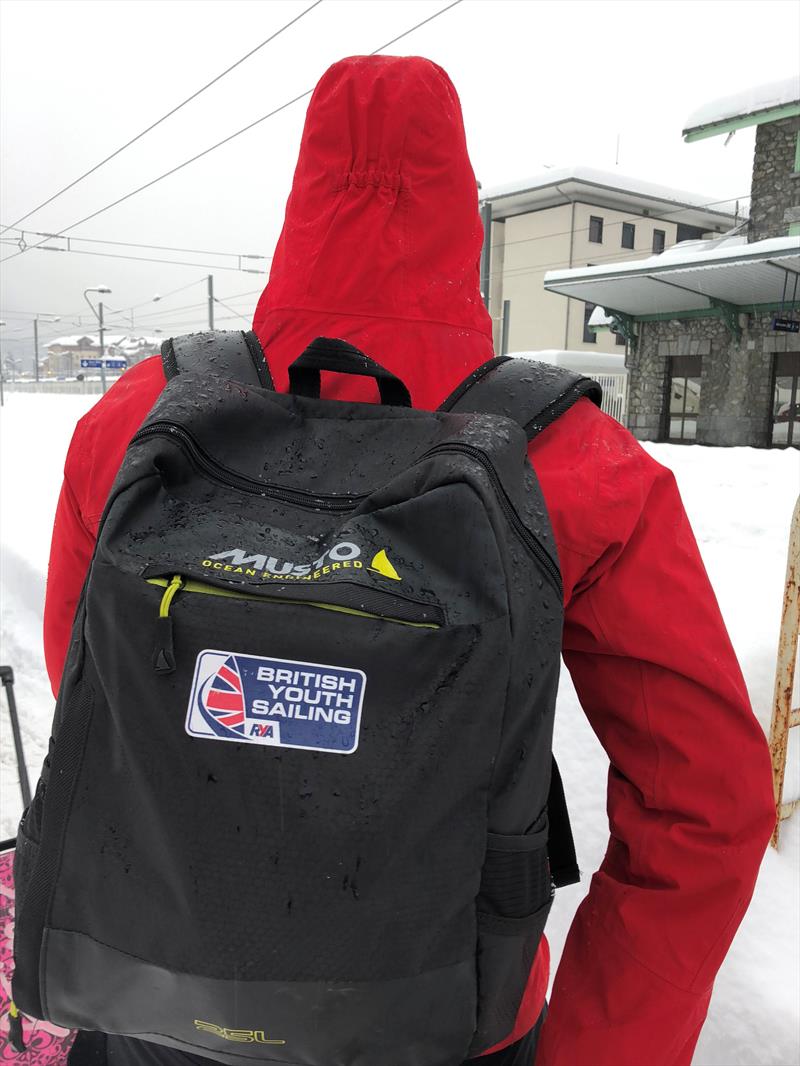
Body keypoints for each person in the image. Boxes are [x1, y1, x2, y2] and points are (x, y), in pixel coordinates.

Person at [43, 55, 774, 1065]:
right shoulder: (569, 462)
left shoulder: (139, 420)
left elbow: (95, 686)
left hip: (160, 996)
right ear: (459, 217)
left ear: (302, 195)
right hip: (446, 1016)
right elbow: (706, 803)